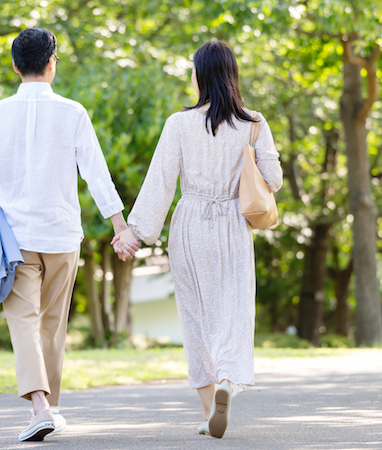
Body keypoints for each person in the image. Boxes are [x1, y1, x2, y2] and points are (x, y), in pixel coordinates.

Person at [0, 27, 138, 442]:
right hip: (62, 235)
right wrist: (120, 227)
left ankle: (41, 408)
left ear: (14, 66)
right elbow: (96, 175)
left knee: (22, 322)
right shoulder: (73, 112)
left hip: (14, 238)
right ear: (52, 62)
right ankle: (51, 407)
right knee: (52, 324)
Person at [113, 41, 283, 438]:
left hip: (189, 224)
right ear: (232, 75)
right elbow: (273, 181)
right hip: (232, 226)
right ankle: (227, 381)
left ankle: (210, 412)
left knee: (195, 318)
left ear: (199, 76)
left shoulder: (179, 123)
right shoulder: (254, 122)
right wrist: (251, 158)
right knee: (233, 314)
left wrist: (135, 234)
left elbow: (160, 183)